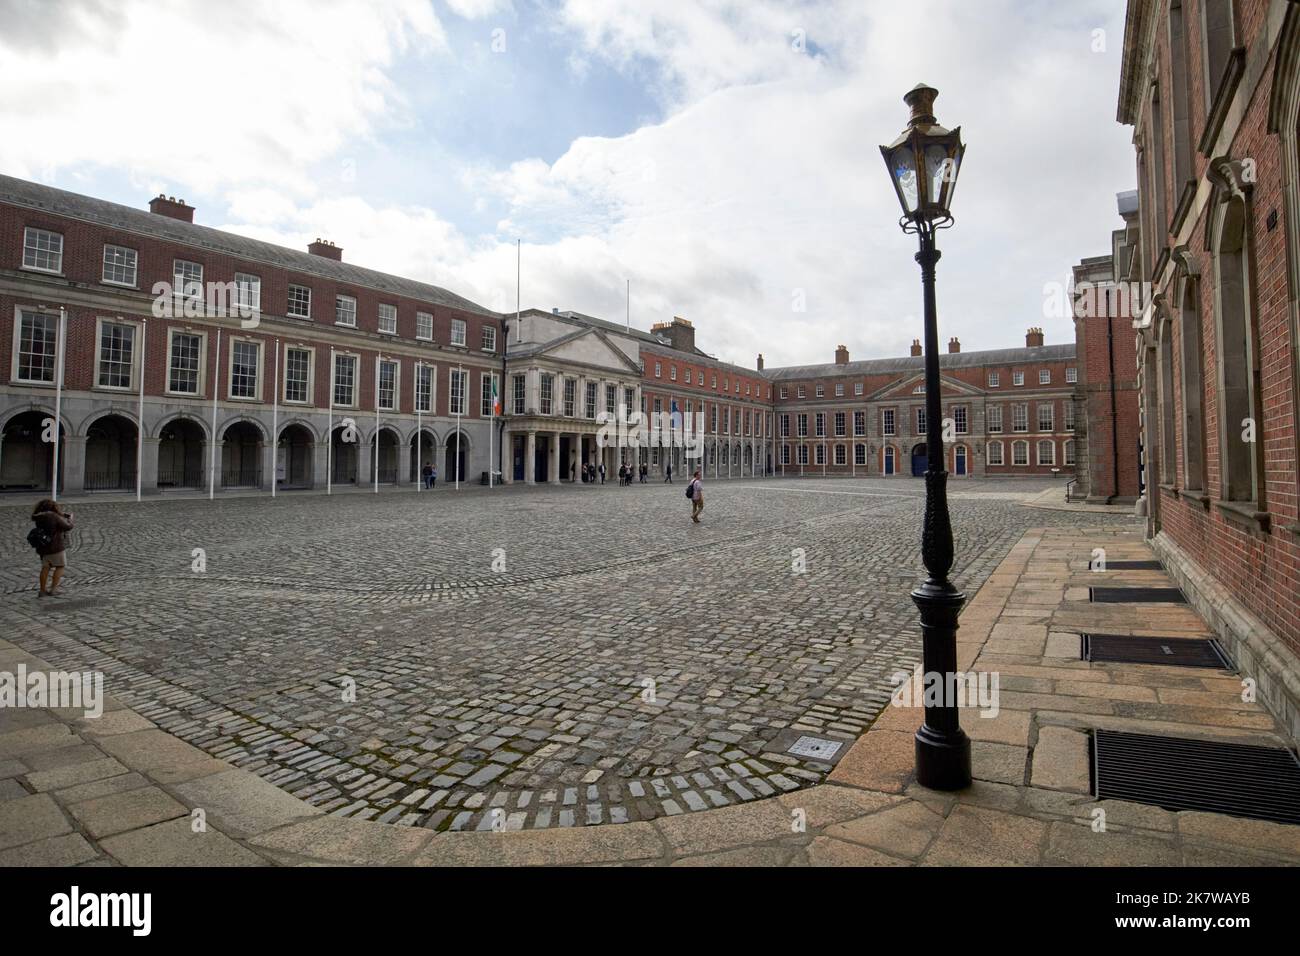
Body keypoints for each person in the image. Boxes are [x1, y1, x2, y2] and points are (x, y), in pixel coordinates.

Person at [31, 498, 73, 597]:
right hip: (55, 546)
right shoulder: (53, 516)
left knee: (45, 567)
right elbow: (68, 526)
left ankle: (42, 590)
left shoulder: (39, 516)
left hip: (43, 545)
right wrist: (70, 519)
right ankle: (53, 589)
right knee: (60, 566)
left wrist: (61, 515)